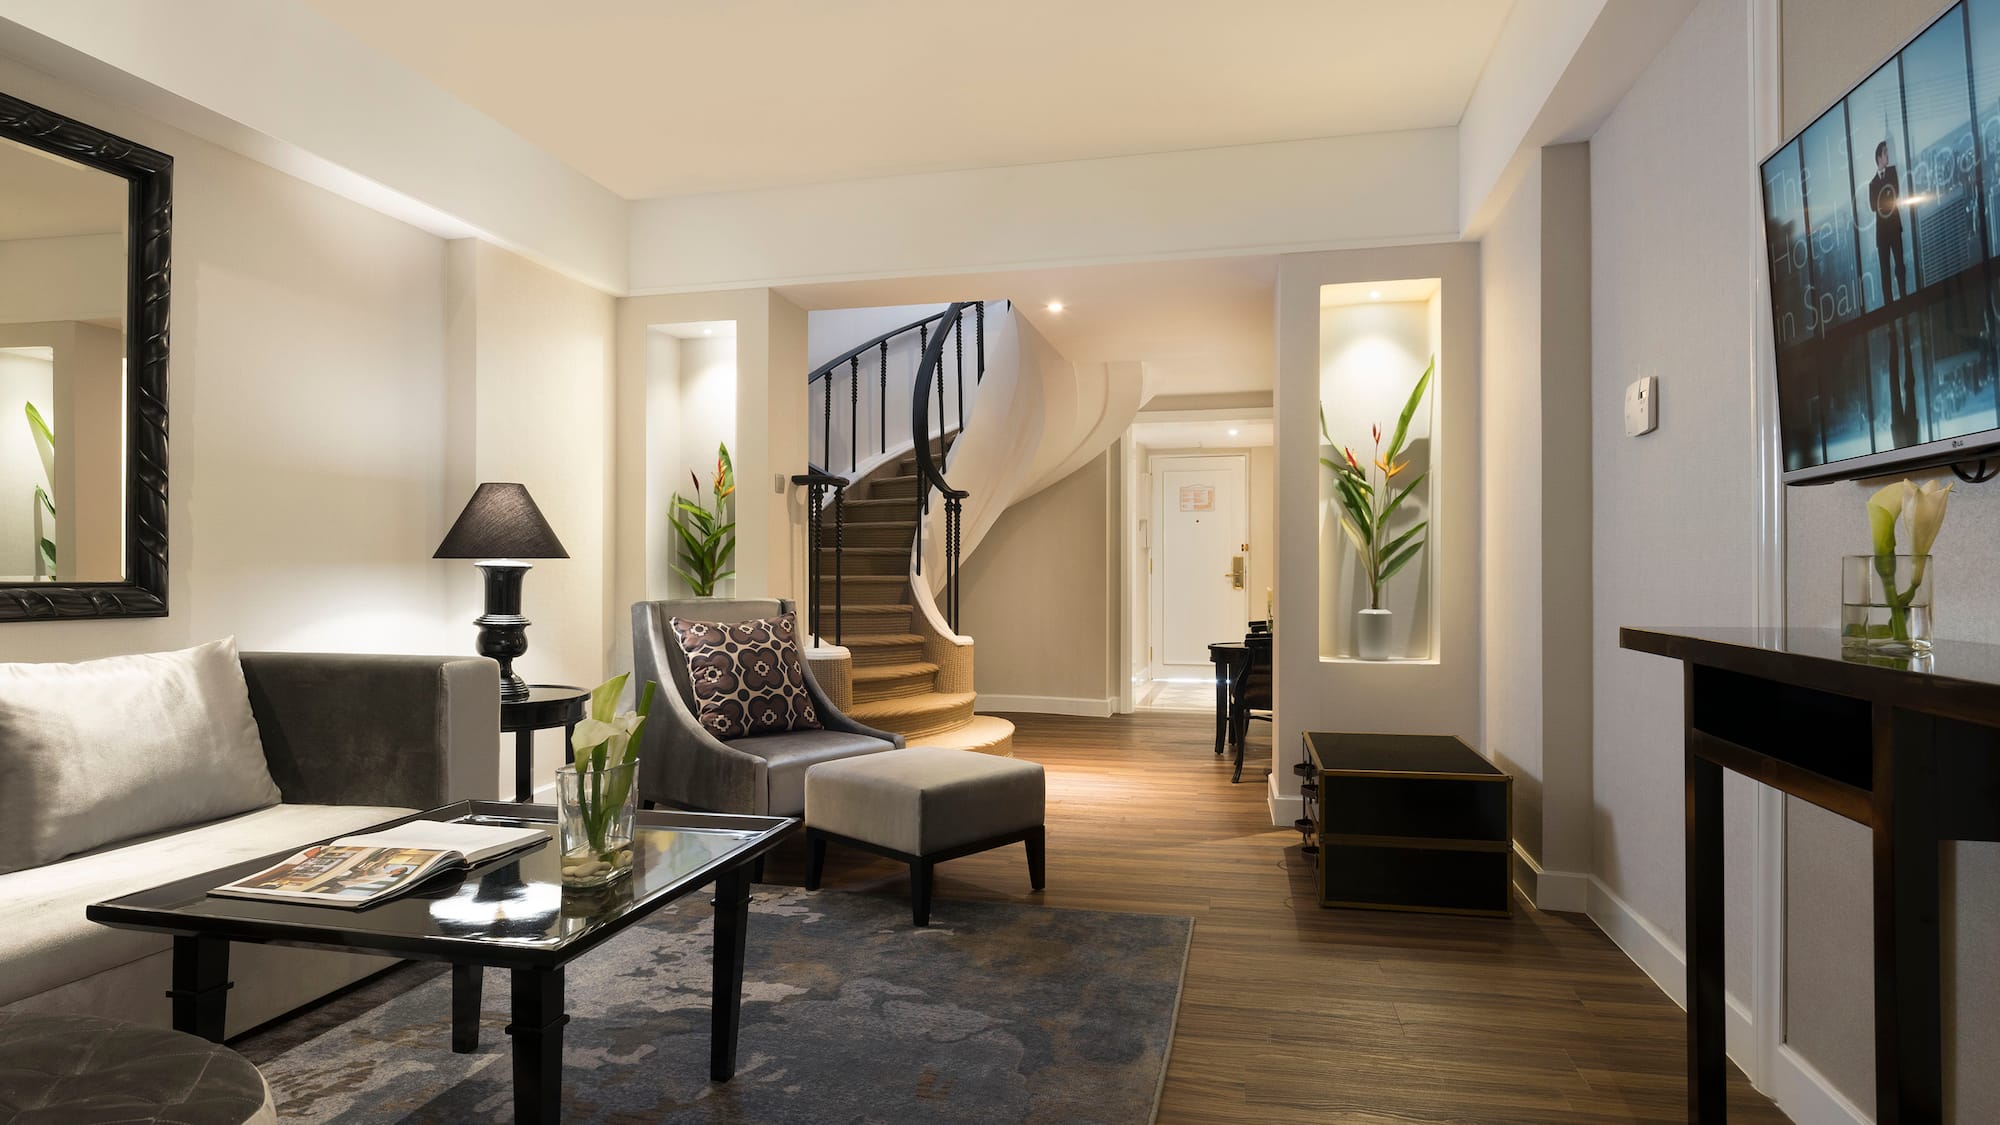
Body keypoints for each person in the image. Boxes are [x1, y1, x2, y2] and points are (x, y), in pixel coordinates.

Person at [1870, 140, 1910, 301]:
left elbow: (1895, 193)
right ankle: (1889, 307)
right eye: (1886, 153)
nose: (1888, 156)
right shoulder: (1872, 184)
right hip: (1882, 234)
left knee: (1899, 265)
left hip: (1893, 227)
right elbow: (1874, 206)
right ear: (1879, 157)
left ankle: (1904, 297)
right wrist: (1884, 197)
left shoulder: (1892, 172)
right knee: (1885, 272)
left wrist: (1884, 197)